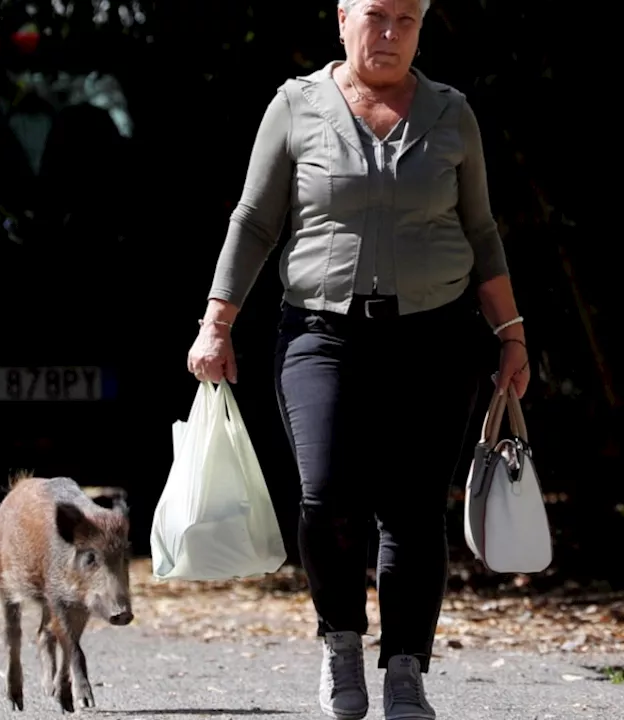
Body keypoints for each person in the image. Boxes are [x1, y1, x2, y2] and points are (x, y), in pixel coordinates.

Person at [185, 1, 529, 719]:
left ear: (422, 27)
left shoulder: (450, 113)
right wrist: (216, 325)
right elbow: (253, 222)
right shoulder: (296, 105)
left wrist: (513, 336)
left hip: (434, 336)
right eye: (376, 15)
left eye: (406, 19)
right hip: (323, 333)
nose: (389, 33)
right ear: (342, 19)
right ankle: (340, 641)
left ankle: (406, 668)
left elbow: (482, 231)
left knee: (412, 509)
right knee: (325, 494)